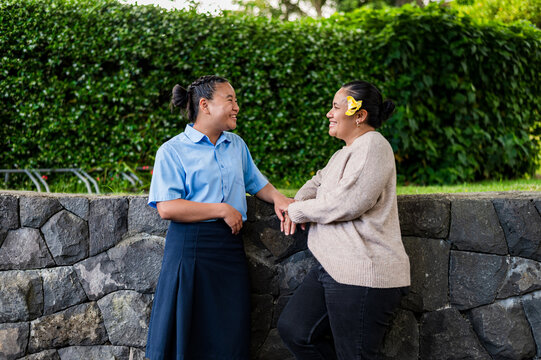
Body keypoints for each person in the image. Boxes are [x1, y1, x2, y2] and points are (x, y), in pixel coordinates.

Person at [145, 75, 293, 360]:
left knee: (229, 333)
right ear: (205, 105)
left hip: (229, 249)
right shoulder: (172, 150)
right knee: (187, 334)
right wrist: (221, 209)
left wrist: (280, 199)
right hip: (190, 250)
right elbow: (167, 207)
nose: (237, 106)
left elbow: (256, 182)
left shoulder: (236, 145)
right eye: (230, 100)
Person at [277, 80, 411, 360]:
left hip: (364, 271)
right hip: (334, 267)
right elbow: (317, 181)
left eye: (336, 107)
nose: (329, 113)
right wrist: (296, 202)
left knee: (356, 355)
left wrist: (298, 212)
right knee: (295, 330)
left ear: (359, 115)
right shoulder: (343, 153)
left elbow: (349, 204)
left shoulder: (374, 146)